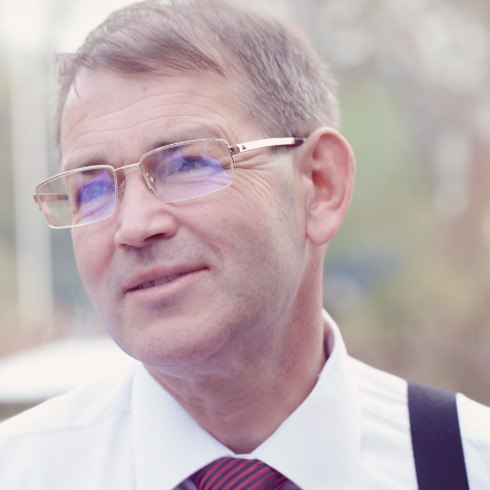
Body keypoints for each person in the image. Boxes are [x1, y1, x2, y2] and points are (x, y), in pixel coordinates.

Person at [1, 1, 489, 488]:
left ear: (320, 186)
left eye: (187, 164)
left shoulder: (466, 465)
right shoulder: (23, 471)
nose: (134, 226)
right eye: (92, 189)